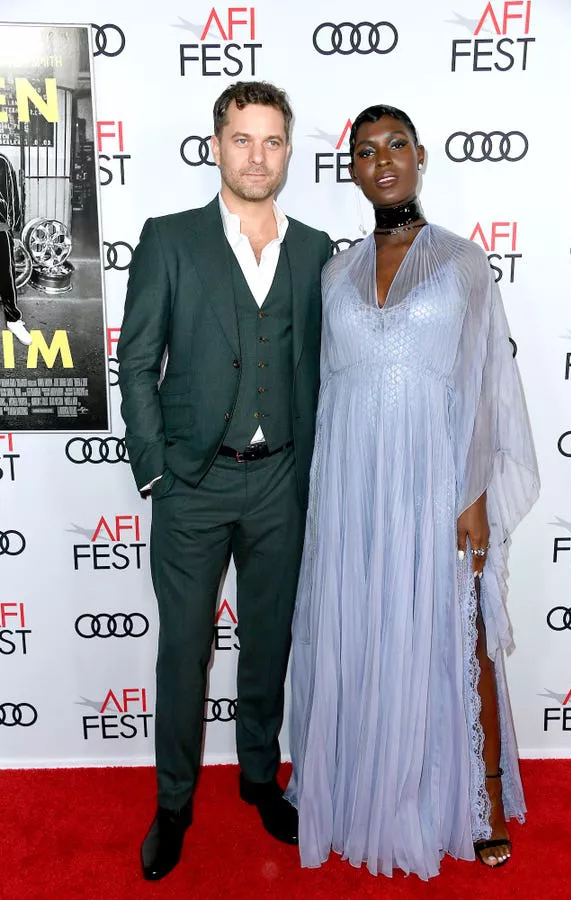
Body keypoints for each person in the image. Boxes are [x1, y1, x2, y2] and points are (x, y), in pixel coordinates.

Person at [285, 105, 540, 880]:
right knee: (362, 626)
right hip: (355, 483)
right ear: (352, 170)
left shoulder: (464, 263)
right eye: (366, 150)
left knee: (459, 633)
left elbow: (486, 385)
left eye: (396, 144)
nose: (383, 159)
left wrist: (473, 491)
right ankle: (366, 787)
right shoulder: (335, 272)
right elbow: (328, 389)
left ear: (421, 155)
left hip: (437, 478)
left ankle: (482, 798)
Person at [117, 81, 331, 881]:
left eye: (272, 141)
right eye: (242, 139)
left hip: (281, 482)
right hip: (191, 485)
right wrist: (154, 471)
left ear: (287, 151)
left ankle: (256, 777)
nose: (257, 156)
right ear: (216, 145)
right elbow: (136, 360)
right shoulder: (168, 239)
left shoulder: (315, 250)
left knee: (268, 641)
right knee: (184, 649)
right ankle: (174, 802)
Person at [0, 152, 32, 346]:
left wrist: (11, 225)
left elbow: (12, 197)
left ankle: (13, 320)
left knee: (6, 275)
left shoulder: (1, 162)